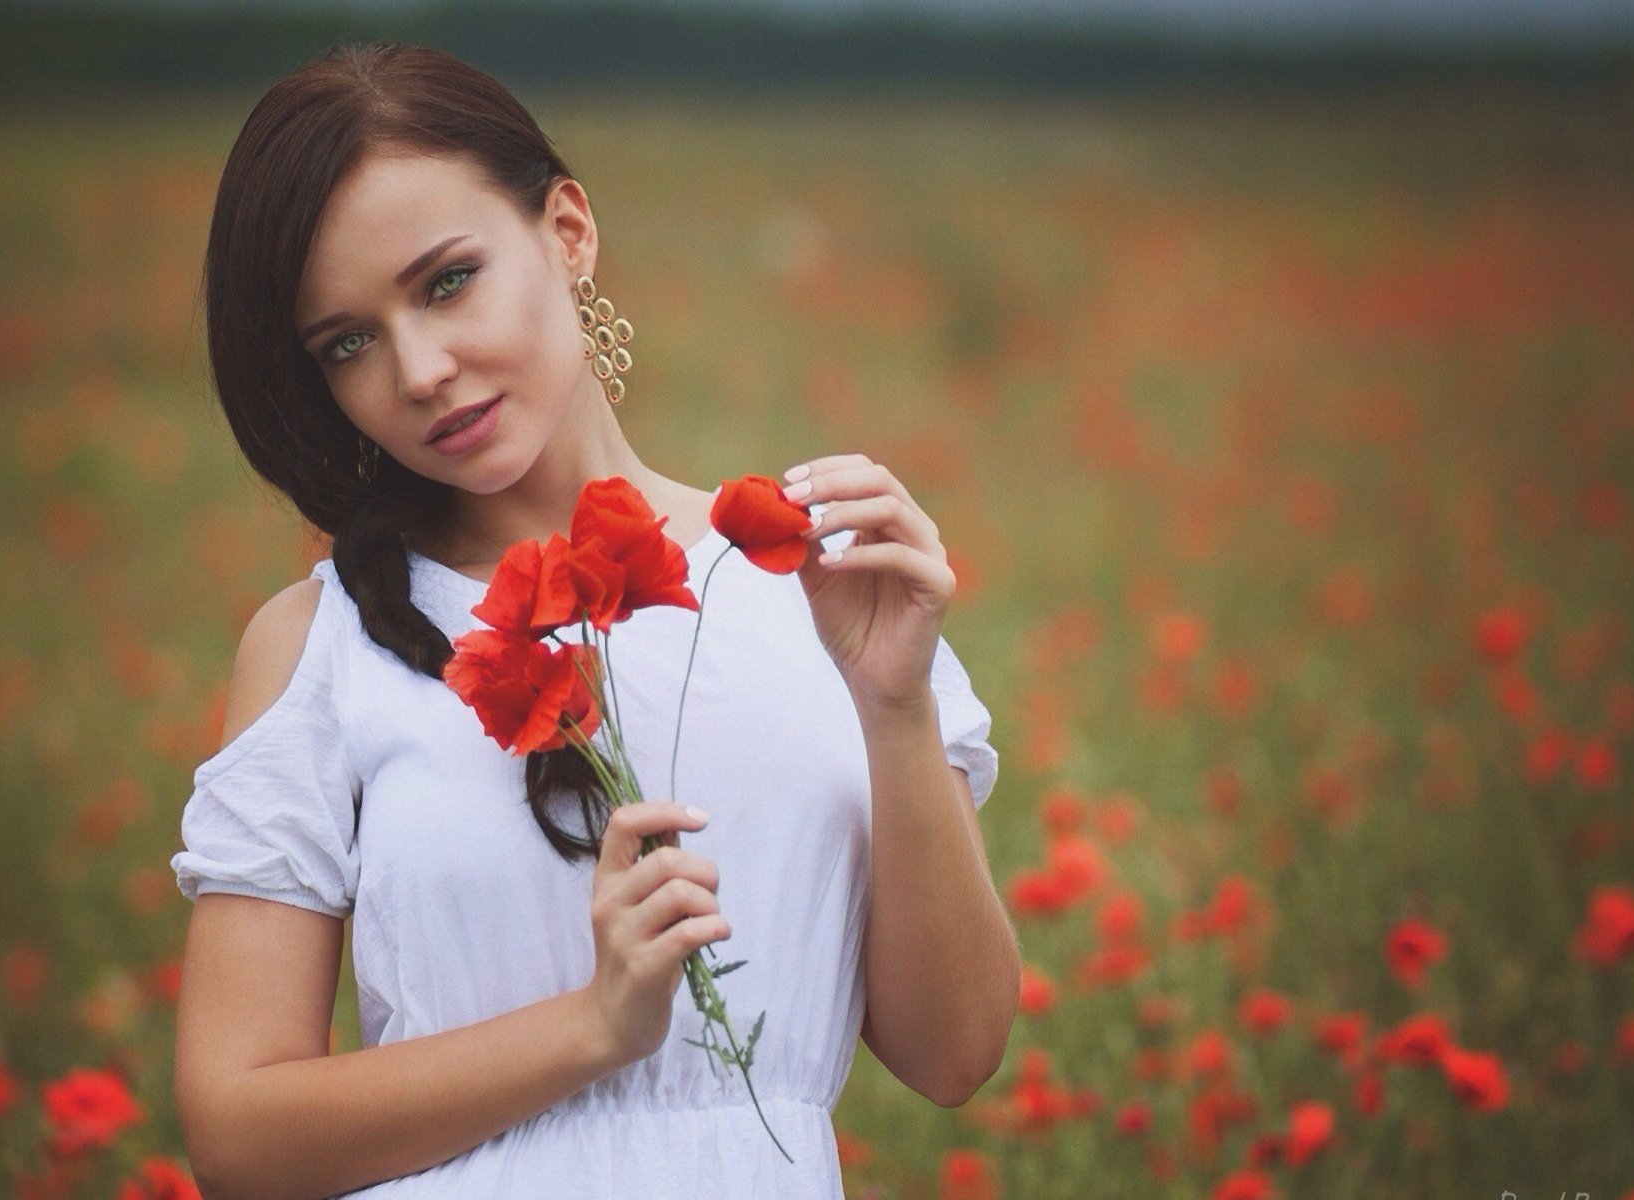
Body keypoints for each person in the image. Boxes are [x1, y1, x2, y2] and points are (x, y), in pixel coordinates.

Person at [170, 41, 1017, 1200]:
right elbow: (236, 1131)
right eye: (349, 344)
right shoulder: (325, 645)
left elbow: (956, 1054)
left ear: (568, 231)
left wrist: (897, 704)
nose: (419, 369)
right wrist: (590, 1028)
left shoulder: (807, 582)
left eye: (446, 281)